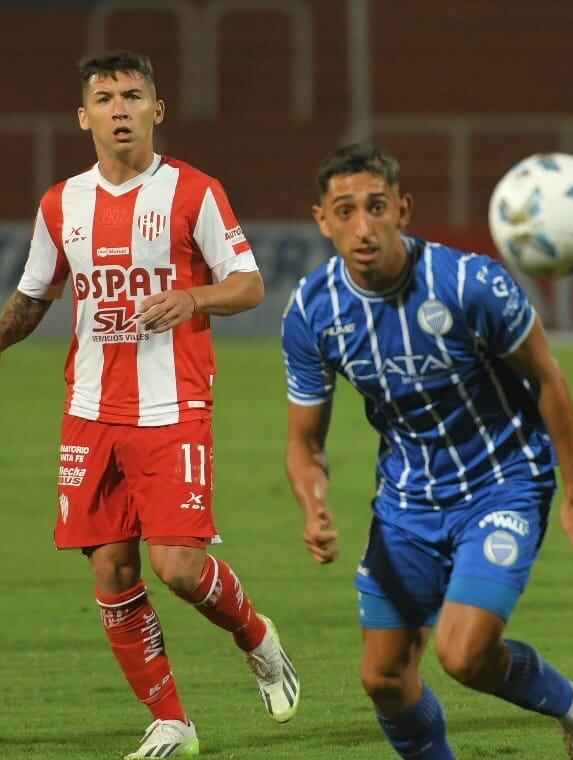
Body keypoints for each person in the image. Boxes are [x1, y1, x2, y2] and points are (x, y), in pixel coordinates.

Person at [0, 50, 298, 759]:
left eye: (134, 96)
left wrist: (193, 297)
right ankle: (172, 721)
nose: (120, 109)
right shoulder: (59, 204)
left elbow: (250, 284)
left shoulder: (194, 192)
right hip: (91, 409)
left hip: (174, 405)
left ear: (157, 110)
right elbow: (31, 299)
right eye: (105, 98)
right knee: (111, 570)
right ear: (85, 116)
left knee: (179, 570)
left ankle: (256, 637)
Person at [281, 143, 573, 760]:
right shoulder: (312, 312)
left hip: (503, 480)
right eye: (346, 211)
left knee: (463, 653)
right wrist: (313, 503)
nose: (364, 226)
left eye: (377, 207)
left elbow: (549, 378)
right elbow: (305, 442)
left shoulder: (470, 284)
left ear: (403, 210)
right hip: (407, 501)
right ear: (322, 220)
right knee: (383, 679)